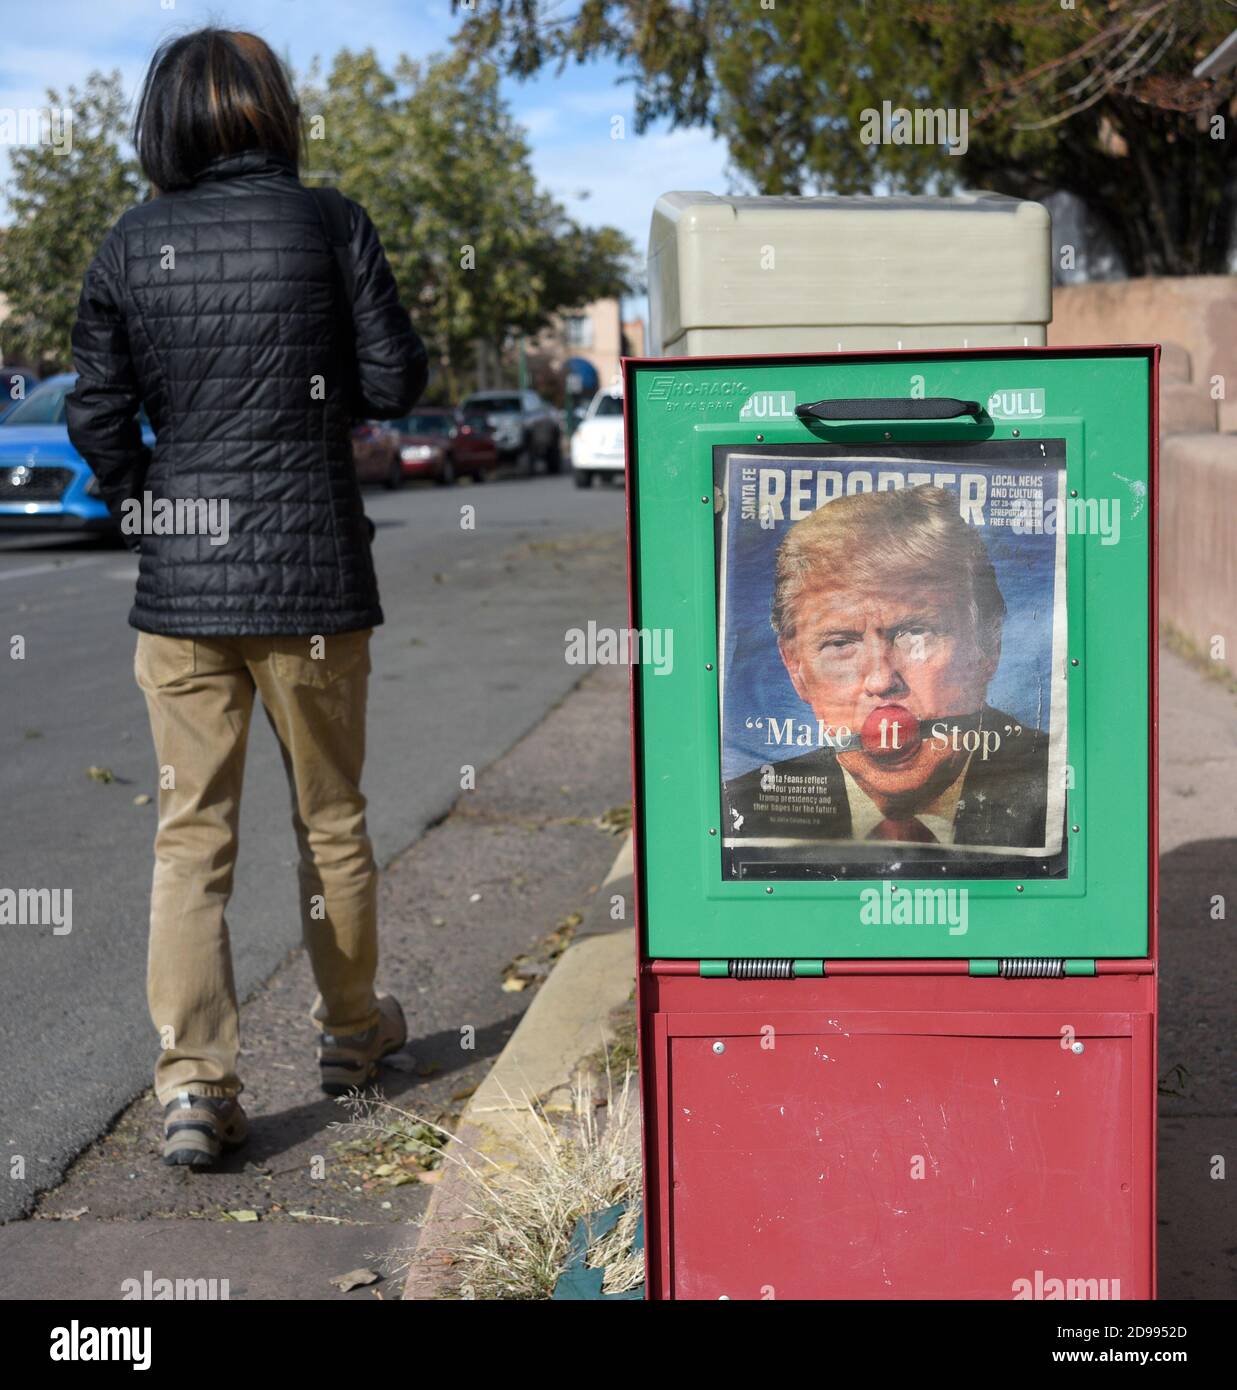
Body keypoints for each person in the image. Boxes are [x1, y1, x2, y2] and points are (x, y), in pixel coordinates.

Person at [66, 28, 428, 1167]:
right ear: (273, 109)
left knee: (189, 836)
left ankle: (193, 1085)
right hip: (315, 570)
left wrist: (147, 508)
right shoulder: (332, 223)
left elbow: (95, 415)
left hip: (182, 588)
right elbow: (391, 381)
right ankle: (354, 1036)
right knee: (331, 820)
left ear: (164, 120)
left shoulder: (131, 241)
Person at [724, 484, 1050, 853]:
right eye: (840, 643)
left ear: (987, 646)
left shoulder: (1059, 792)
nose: (881, 681)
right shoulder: (741, 814)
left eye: (916, 633)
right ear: (795, 668)